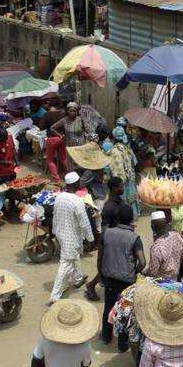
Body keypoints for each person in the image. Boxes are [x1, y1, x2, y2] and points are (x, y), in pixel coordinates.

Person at [95, 205, 143, 351]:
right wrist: (134, 272)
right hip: (127, 280)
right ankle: (122, 345)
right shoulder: (134, 238)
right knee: (125, 311)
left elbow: (99, 257)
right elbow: (142, 262)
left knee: (108, 307)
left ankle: (106, 336)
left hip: (109, 277)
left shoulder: (106, 233)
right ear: (131, 220)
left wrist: (101, 275)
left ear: (118, 218)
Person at [50, 173, 94, 304]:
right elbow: (84, 223)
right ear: (75, 184)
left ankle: (78, 278)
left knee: (74, 256)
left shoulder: (59, 197)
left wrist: (54, 232)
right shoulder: (77, 201)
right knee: (65, 264)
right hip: (71, 236)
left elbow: (55, 216)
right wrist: (90, 238)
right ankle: (55, 296)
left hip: (60, 233)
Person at [104, 122, 138, 218]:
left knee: (122, 209)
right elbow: (134, 163)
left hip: (122, 183)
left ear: (114, 138)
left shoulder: (115, 151)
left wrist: (117, 184)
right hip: (130, 180)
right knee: (130, 209)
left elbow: (117, 171)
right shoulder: (127, 148)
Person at [145, 210, 183, 282]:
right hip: (176, 277)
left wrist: (145, 272)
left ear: (152, 227)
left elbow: (153, 272)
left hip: (163, 283)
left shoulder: (156, 248)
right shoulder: (176, 236)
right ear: (166, 224)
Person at [50, 103, 89, 174]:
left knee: (82, 164)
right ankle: (74, 179)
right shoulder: (64, 120)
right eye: (70, 111)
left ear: (77, 112)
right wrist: (60, 135)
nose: (72, 112)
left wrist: (87, 135)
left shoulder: (81, 120)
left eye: (74, 111)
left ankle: (82, 180)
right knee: (72, 165)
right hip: (70, 146)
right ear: (67, 111)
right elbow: (52, 128)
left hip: (81, 145)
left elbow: (88, 130)